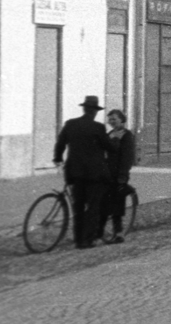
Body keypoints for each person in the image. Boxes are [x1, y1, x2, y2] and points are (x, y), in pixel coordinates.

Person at [53, 95, 116, 250]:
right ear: (94, 111)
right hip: (94, 174)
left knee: (78, 207)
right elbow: (108, 147)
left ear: (84, 109)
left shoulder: (70, 124)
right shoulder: (98, 127)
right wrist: (115, 143)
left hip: (75, 173)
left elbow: (60, 144)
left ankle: (78, 240)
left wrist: (58, 159)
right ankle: (88, 240)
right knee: (93, 207)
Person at [105, 109, 135, 243]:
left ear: (122, 120)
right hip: (106, 173)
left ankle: (119, 233)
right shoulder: (109, 134)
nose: (111, 122)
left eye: (114, 119)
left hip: (118, 174)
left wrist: (122, 175)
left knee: (117, 202)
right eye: (110, 119)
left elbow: (127, 157)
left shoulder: (127, 135)